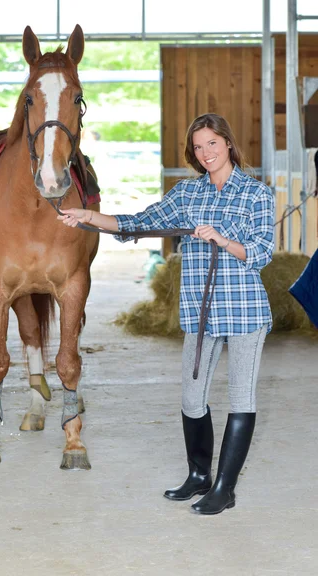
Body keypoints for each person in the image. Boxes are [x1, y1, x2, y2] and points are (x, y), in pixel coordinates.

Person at [57, 113, 275, 515]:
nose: (206, 152)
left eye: (212, 143)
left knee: (240, 398)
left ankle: (225, 489)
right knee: (193, 399)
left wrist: (221, 239)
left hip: (245, 310)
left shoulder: (256, 194)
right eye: (198, 146)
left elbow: (262, 253)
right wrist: (89, 217)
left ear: (227, 143)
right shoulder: (186, 195)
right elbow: (140, 222)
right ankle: (199, 476)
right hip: (200, 312)